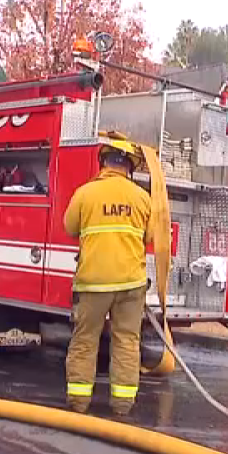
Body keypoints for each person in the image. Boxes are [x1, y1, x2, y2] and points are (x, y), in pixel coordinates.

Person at [61, 135, 153, 416]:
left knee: (85, 340)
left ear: (103, 163)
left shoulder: (85, 193)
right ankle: (122, 405)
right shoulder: (142, 197)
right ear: (129, 167)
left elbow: (69, 227)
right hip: (131, 284)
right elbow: (151, 237)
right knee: (126, 341)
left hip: (93, 284)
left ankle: (79, 403)